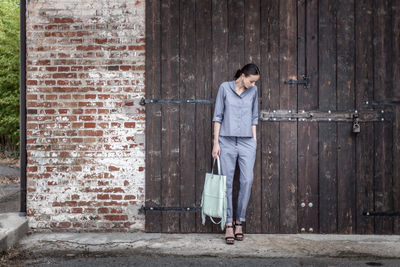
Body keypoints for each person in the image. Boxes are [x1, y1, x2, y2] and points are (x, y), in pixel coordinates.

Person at [212, 63, 260, 245]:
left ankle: (240, 219)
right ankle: (229, 224)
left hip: (247, 141)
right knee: (227, 183)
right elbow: (218, 116)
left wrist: (254, 141)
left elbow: (254, 117)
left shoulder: (253, 92)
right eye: (251, 81)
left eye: (255, 82)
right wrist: (216, 143)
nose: (253, 85)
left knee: (246, 180)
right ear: (242, 75)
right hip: (226, 140)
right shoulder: (224, 88)